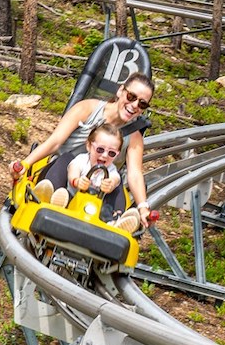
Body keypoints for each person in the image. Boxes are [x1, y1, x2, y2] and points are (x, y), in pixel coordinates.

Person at [11, 71, 157, 230]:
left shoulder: (134, 137)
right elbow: (55, 141)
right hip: (62, 176)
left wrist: (143, 207)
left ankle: (116, 221)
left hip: (95, 193)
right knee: (66, 159)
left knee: (117, 183)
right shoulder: (87, 108)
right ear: (121, 91)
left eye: (142, 104)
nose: (135, 105)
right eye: (131, 97)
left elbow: (134, 174)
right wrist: (25, 164)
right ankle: (50, 198)